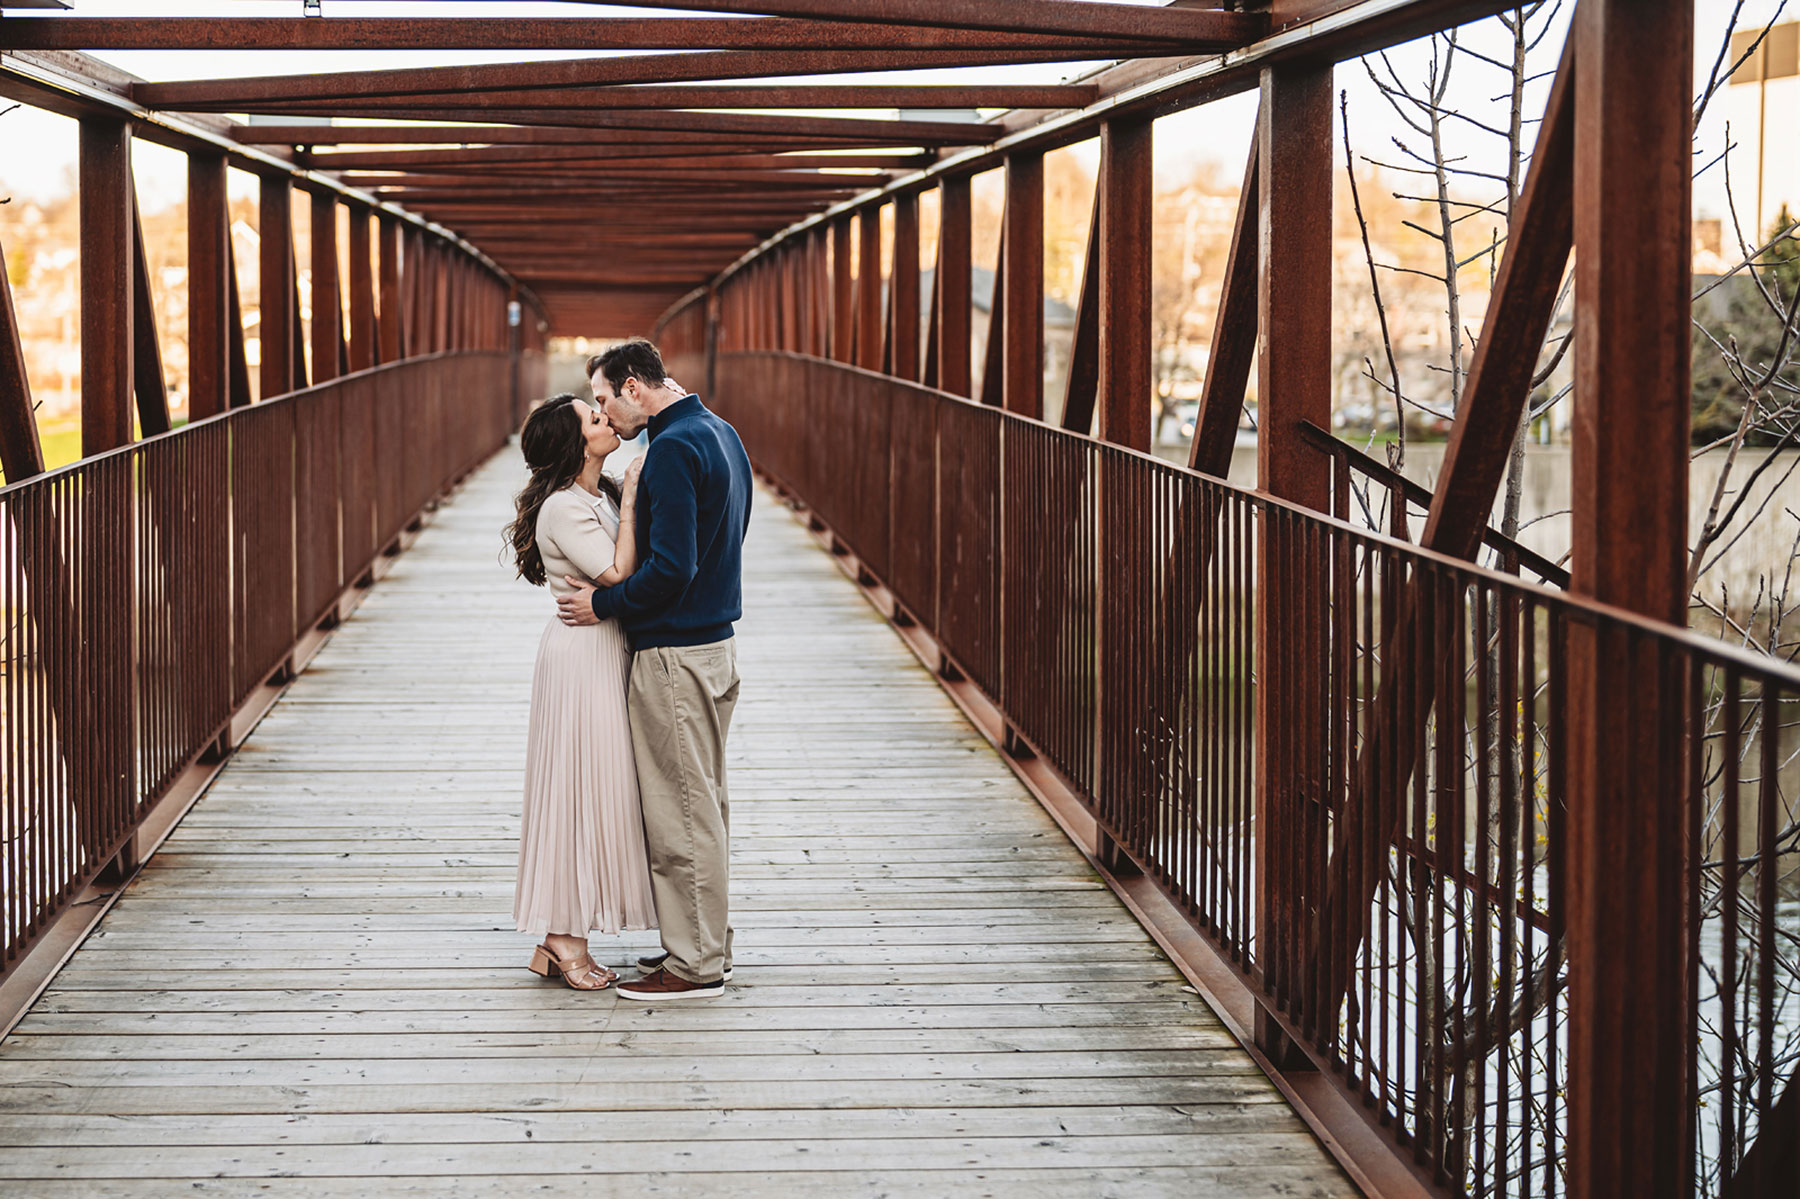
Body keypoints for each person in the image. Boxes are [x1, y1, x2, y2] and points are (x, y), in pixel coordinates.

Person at [557, 338, 751, 1002]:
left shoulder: (669, 450)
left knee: (680, 813)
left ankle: (693, 966)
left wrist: (603, 602)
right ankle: (707, 946)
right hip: (716, 647)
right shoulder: (720, 431)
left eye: (607, 398)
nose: (606, 414)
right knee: (706, 807)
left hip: (674, 656)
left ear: (635, 385)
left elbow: (672, 569)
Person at [506, 394, 657, 990]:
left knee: (597, 788)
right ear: (576, 445)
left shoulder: (600, 495)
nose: (607, 419)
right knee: (575, 789)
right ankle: (563, 937)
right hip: (580, 658)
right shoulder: (564, 508)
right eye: (594, 419)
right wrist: (639, 497)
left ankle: (562, 936)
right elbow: (617, 574)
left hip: (604, 647)